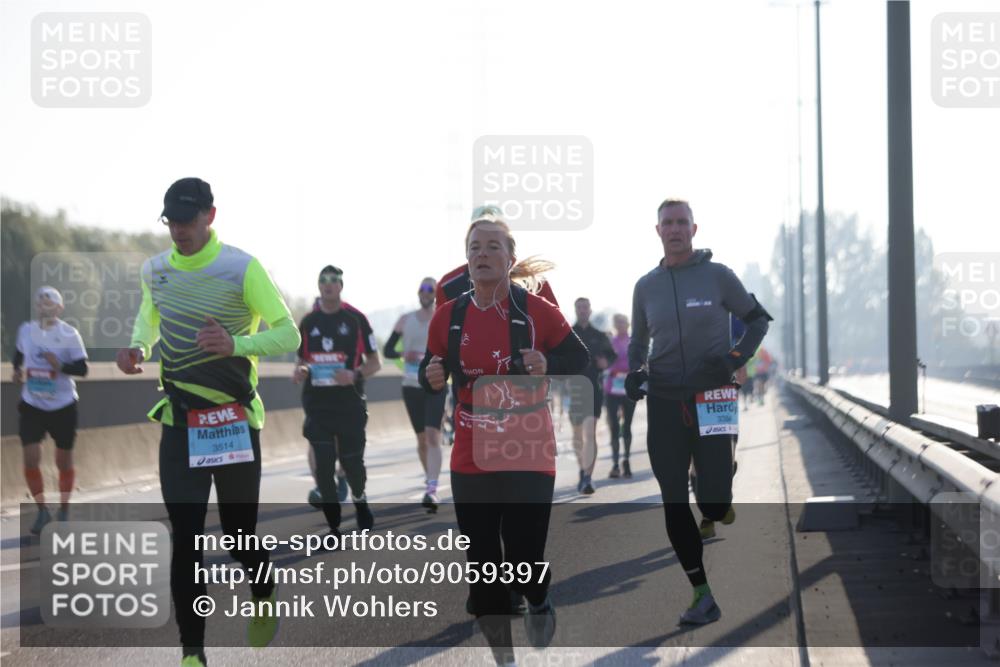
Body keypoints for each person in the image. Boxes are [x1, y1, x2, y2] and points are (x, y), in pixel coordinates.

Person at [117, 177, 300, 666]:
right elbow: (148, 318)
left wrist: (236, 345)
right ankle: (192, 653)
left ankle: (262, 587)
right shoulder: (154, 270)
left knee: (240, 537)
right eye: (171, 220)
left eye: (187, 220)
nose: (178, 230)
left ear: (209, 216)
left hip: (235, 420)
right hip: (180, 420)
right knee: (186, 537)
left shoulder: (241, 267)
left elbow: (288, 335)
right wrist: (138, 347)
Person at [420, 212, 588, 666]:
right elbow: (430, 367)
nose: (483, 254)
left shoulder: (536, 312)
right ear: (466, 259)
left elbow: (580, 357)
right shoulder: (448, 316)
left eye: (494, 246)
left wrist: (545, 363)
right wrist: (431, 375)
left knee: (522, 556)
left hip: (528, 449)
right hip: (472, 453)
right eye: (475, 247)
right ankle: (505, 660)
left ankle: (537, 597)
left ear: (511, 259)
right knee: (484, 566)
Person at [626, 198, 771, 626]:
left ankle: (718, 485)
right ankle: (702, 594)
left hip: (714, 395)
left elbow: (758, 320)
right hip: (666, 399)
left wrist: (734, 358)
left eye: (682, 222)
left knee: (714, 500)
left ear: (694, 229)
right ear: (658, 231)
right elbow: (638, 341)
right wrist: (635, 370)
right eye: (667, 223)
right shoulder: (645, 286)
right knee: (673, 499)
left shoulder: (718, 276)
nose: (675, 229)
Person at [293, 265, 381, 536]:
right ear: (318, 286)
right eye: (323, 280)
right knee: (323, 466)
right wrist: (302, 371)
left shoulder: (356, 319)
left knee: (353, 463)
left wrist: (353, 374)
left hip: (349, 405)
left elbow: (375, 363)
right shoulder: (308, 322)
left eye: (334, 280)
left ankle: (359, 499)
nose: (328, 284)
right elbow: (302, 360)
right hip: (318, 406)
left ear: (341, 286)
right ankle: (334, 524)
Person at [13, 286, 89, 533]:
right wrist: (16, 369)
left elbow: (82, 369)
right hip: (32, 403)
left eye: (49, 302)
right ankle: (42, 510)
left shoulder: (69, 334)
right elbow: (19, 353)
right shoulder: (26, 329)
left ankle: (64, 509)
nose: (44, 306)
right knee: (30, 458)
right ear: (37, 307)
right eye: (40, 302)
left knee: (63, 462)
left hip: (63, 405)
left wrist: (61, 365)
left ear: (59, 307)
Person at [383, 277, 446, 512]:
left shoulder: (443, 317)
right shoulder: (405, 320)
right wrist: (404, 354)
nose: (426, 292)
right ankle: (429, 478)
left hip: (436, 384)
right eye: (423, 288)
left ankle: (432, 488)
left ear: (436, 294)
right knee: (421, 440)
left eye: (431, 289)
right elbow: (387, 350)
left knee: (432, 437)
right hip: (410, 385)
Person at [569, 298, 616, 494]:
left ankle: (588, 477)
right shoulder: (568, 334)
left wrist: (607, 362)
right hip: (574, 390)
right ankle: (582, 470)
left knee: (590, 433)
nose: (582, 310)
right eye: (579, 307)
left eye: (585, 307)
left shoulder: (599, 335)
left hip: (594, 389)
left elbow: (611, 356)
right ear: (576, 310)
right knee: (578, 436)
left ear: (590, 310)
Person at [604, 313, 636, 478]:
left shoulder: (634, 341)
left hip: (628, 388)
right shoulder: (610, 342)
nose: (621, 325)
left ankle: (627, 460)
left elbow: (639, 362)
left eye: (624, 322)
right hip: (612, 388)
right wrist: (611, 369)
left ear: (628, 323)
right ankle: (615, 463)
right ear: (615, 325)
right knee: (614, 426)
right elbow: (604, 363)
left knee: (627, 425)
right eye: (618, 322)